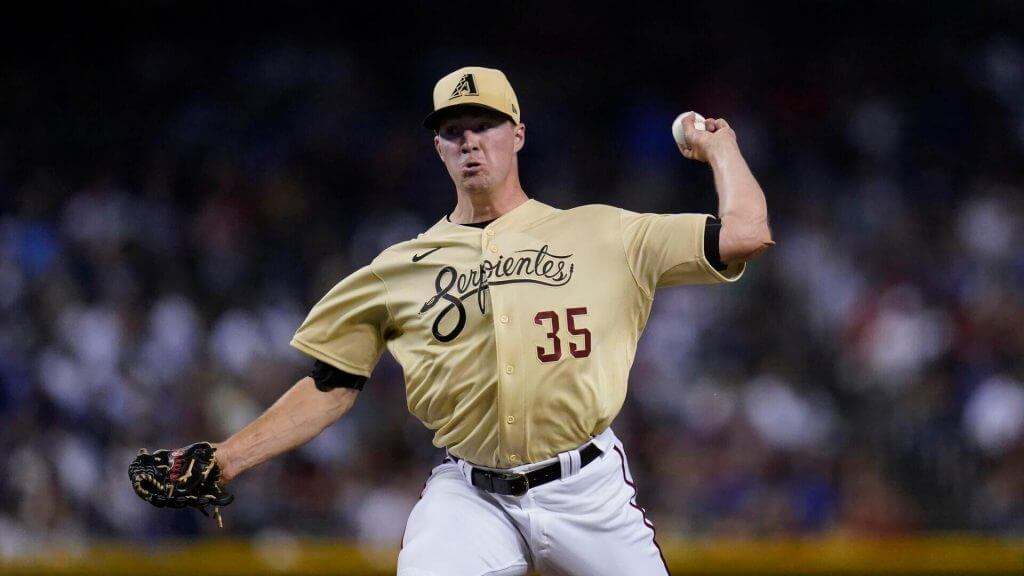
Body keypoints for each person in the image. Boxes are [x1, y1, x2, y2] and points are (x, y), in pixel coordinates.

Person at [135, 66, 773, 575]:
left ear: (517, 134)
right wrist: (227, 458)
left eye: (485, 124)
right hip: (472, 493)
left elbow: (746, 234)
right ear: (437, 147)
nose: (470, 140)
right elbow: (330, 385)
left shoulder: (604, 231)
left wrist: (723, 149)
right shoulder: (399, 267)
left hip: (588, 490)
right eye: (453, 130)